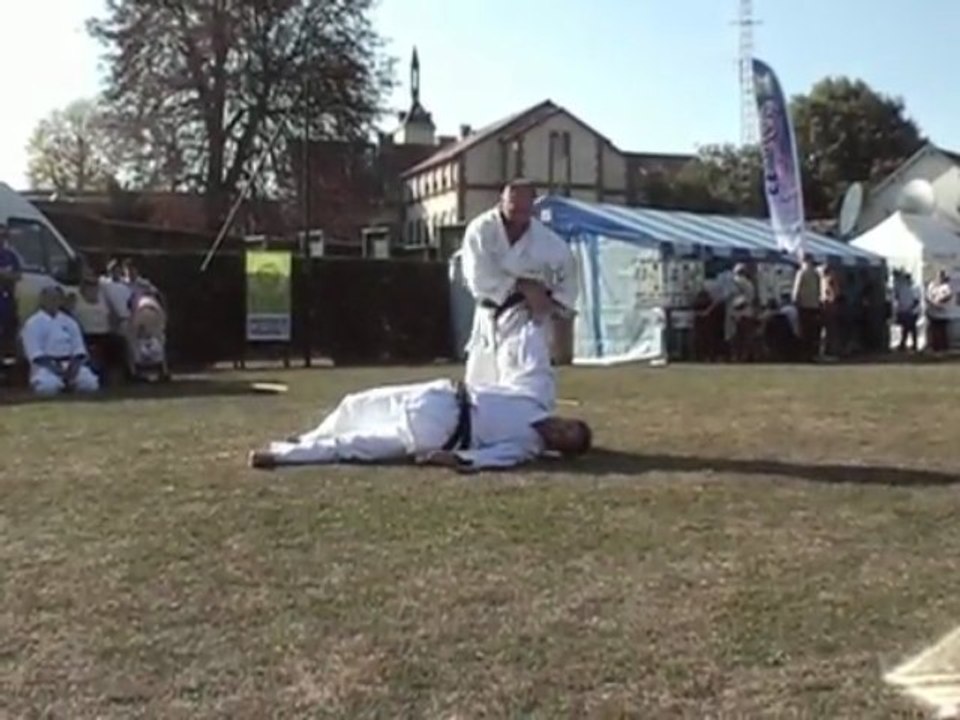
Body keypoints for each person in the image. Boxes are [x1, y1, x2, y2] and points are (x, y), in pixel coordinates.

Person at [248, 379, 592, 471]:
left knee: (354, 445)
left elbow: (493, 458)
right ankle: (303, 440)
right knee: (355, 404)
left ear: (556, 450)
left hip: (440, 431)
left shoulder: (525, 448)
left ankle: (279, 457)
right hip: (439, 393)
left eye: (563, 440)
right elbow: (491, 386)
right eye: (567, 427)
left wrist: (454, 459)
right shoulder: (531, 401)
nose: (559, 432)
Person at [460, 179, 578, 389]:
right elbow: (478, 278)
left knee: (525, 386)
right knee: (479, 388)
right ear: (502, 202)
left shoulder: (549, 243)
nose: (518, 214)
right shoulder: (481, 231)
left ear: (533, 207)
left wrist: (553, 306)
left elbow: (566, 283)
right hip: (490, 318)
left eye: (525, 209)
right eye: (513, 207)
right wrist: (522, 286)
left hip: (528, 322)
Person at [20, 284, 99, 395]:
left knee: (90, 384)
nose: (53, 301)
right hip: (46, 366)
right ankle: (60, 385)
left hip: (70, 364)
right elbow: (35, 354)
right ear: (42, 300)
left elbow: (79, 349)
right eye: (50, 298)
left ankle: (70, 385)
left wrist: (73, 367)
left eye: (56, 298)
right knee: (47, 388)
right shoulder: (33, 323)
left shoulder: (69, 322)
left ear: (61, 301)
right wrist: (57, 370)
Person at [791, 253, 822, 361]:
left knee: (803, 330)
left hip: (803, 305)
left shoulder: (801, 273)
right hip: (814, 305)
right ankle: (812, 354)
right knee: (812, 331)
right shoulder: (816, 273)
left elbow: (797, 289)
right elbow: (819, 290)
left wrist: (794, 300)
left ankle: (803, 355)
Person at [0, 222, 22, 354]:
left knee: (8, 337)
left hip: (8, 301)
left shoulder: (11, 256)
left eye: (3, 236)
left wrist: (7, 275)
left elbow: (18, 275)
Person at [925, 270, 952, 353]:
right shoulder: (932, 286)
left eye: (941, 276)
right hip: (933, 311)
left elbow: (948, 296)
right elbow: (928, 297)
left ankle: (943, 347)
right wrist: (932, 303)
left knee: (942, 330)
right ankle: (934, 346)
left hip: (943, 312)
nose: (940, 278)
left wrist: (940, 302)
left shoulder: (946, 286)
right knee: (933, 330)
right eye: (939, 276)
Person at [893, 271, 920, 352]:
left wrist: (910, 308)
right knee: (905, 328)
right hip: (903, 310)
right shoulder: (902, 288)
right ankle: (903, 344)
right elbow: (897, 297)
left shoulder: (914, 287)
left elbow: (916, 300)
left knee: (912, 328)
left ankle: (914, 344)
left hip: (912, 312)